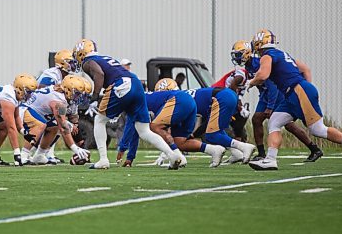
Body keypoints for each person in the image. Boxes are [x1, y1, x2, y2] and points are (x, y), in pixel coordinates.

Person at [247, 29, 342, 170]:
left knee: (318, 130)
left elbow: (263, 75)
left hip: (298, 91)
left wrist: (251, 82)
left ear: (260, 42)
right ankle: (270, 159)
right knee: (274, 122)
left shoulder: (267, 55)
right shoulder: (281, 54)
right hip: (293, 93)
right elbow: (304, 68)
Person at [72, 38, 184, 169]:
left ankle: (103, 160)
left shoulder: (88, 62)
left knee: (99, 120)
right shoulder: (103, 57)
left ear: (81, 52)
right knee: (144, 131)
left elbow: (99, 73)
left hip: (122, 85)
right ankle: (172, 155)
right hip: (135, 83)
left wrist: (95, 97)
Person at [230, 40, 323, 162]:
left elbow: (272, 86)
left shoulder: (260, 62)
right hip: (265, 95)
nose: (236, 58)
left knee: (289, 126)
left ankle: (314, 148)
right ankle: (262, 153)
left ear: (246, 52)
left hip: (275, 95)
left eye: (238, 54)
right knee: (256, 119)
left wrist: (270, 106)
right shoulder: (248, 67)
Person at [117, 78, 226, 167]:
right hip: (190, 103)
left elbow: (132, 128)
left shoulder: (135, 101)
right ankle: (213, 150)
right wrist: (130, 157)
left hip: (179, 101)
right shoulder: (151, 97)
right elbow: (137, 129)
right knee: (180, 142)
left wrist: (123, 150)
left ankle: (178, 157)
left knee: (155, 126)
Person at [20, 75, 91, 165]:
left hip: (37, 113)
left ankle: (40, 155)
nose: (79, 97)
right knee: (41, 125)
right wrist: (74, 148)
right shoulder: (59, 100)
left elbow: (64, 123)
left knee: (54, 126)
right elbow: (63, 126)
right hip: (24, 111)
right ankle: (24, 155)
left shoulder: (63, 96)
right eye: (77, 94)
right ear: (68, 90)